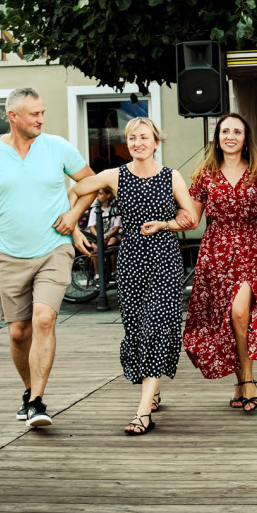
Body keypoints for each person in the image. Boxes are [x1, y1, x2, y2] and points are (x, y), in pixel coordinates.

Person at [0, 88, 95, 428]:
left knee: (44, 319)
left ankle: (37, 402)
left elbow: (91, 182)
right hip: (11, 254)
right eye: (34, 114)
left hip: (54, 247)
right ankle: (28, 390)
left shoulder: (57, 146)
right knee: (19, 331)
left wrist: (74, 214)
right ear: (13, 117)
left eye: (42, 112)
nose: (41, 119)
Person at [69, 117, 197, 435]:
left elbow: (190, 217)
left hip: (165, 262)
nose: (137, 143)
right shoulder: (115, 176)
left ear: (156, 142)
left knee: (156, 328)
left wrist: (165, 224)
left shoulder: (172, 176)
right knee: (137, 329)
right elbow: (77, 189)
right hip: (131, 262)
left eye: (144, 137)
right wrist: (73, 228)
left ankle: (142, 413)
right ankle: (152, 389)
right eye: (132, 138)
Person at [184, 113, 257, 413]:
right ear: (218, 137)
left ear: (245, 138)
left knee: (239, 313)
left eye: (237, 131)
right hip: (215, 250)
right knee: (224, 319)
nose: (231, 136)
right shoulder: (204, 175)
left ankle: (248, 381)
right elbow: (191, 219)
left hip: (249, 245)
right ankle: (240, 382)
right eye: (225, 131)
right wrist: (162, 223)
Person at [85, 187, 121, 277]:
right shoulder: (94, 210)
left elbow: (116, 228)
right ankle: (97, 274)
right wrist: (99, 236)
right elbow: (92, 227)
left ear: (108, 195)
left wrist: (108, 236)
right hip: (98, 236)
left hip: (111, 235)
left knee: (111, 244)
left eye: (100, 194)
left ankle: (113, 271)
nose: (97, 196)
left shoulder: (114, 209)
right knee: (96, 248)